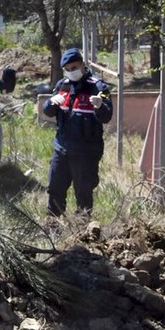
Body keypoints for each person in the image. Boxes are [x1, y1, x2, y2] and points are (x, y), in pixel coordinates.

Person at [42, 48, 113, 218]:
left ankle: (83, 228)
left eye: (74, 67)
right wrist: (50, 103)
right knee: (55, 189)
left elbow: (107, 116)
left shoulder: (99, 87)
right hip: (62, 149)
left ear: (82, 64)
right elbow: (48, 112)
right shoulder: (62, 86)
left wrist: (100, 106)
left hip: (86, 152)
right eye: (67, 69)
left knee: (83, 193)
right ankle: (53, 226)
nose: (71, 72)